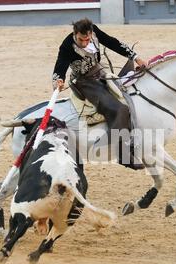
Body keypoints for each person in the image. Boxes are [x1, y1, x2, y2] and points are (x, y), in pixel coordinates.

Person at [52, 18, 147, 170]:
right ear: (75, 33)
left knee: (130, 96)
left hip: (99, 72)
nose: (84, 43)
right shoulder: (67, 45)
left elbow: (112, 43)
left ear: (90, 33)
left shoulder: (94, 31)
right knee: (120, 109)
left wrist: (136, 57)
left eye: (87, 39)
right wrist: (58, 80)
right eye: (81, 40)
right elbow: (60, 65)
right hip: (84, 82)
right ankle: (123, 154)